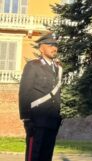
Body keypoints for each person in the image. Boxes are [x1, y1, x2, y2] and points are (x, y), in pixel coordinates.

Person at [19, 33, 63, 161]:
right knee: (34, 155)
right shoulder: (33, 66)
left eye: (55, 45)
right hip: (36, 119)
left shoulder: (58, 68)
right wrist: (27, 118)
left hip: (52, 119)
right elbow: (24, 92)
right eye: (50, 45)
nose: (53, 48)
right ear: (41, 48)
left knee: (47, 155)